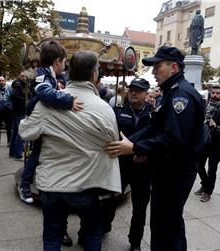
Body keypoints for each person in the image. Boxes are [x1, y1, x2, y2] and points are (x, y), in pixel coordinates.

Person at [104, 45, 204, 251]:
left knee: (168, 224)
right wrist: (133, 143)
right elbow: (154, 127)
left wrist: (136, 148)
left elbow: (173, 139)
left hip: (175, 172)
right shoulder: (170, 93)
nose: (154, 72)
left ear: (173, 67)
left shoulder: (180, 96)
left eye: (158, 66)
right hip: (165, 169)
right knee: (161, 223)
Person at [19, 50, 121, 251]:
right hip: (87, 184)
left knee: (51, 236)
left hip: (52, 185)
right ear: (94, 74)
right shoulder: (104, 108)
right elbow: (113, 144)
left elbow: (26, 132)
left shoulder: (47, 103)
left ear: (68, 71)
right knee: (92, 232)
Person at [18, 41, 83, 246]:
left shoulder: (49, 75)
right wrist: (68, 101)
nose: (65, 66)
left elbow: (49, 89)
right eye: (64, 62)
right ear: (57, 61)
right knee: (35, 155)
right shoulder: (43, 73)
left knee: (38, 153)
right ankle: (25, 186)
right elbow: (44, 93)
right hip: (36, 118)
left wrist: (59, 87)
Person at [103, 78, 152, 251]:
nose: (133, 93)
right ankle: (104, 227)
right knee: (110, 199)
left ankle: (135, 242)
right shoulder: (118, 112)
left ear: (146, 94)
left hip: (143, 167)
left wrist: (142, 152)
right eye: (131, 90)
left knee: (140, 208)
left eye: (138, 90)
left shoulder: (154, 115)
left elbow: (156, 140)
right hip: (121, 165)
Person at [194, 85, 220, 202]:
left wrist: (217, 127)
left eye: (218, 93)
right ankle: (205, 184)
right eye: (213, 93)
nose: (215, 95)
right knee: (198, 165)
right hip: (204, 142)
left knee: (212, 169)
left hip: (217, 144)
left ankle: (208, 191)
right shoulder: (206, 107)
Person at [9, 72, 30, 160]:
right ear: (18, 76)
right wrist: (25, 101)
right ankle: (18, 154)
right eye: (22, 76)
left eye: (25, 76)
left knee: (15, 132)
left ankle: (12, 152)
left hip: (17, 111)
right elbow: (14, 96)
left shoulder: (20, 84)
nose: (24, 77)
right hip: (20, 111)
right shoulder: (18, 85)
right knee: (20, 132)